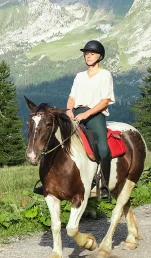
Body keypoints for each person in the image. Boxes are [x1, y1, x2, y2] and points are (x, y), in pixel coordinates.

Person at [34, 40, 115, 201]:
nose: (88, 56)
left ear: (100, 56)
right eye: (86, 54)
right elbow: (72, 97)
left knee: (103, 148)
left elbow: (105, 101)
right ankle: (48, 182)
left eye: (92, 54)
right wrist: (69, 109)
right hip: (76, 112)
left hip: (95, 114)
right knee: (56, 138)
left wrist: (86, 114)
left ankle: (104, 185)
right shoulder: (79, 76)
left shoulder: (105, 75)